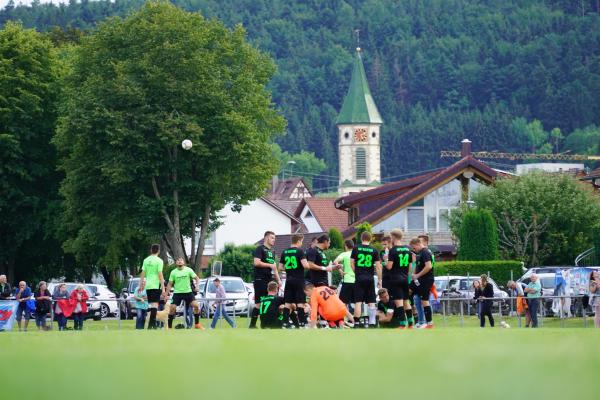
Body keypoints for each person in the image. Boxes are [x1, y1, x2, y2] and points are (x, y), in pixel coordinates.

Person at [249, 231, 280, 329]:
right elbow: (256, 262)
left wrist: (278, 280)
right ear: (266, 238)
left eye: (274, 238)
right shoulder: (259, 248)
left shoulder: (272, 251)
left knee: (271, 302)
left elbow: (274, 268)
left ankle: (268, 324)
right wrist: (269, 265)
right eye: (272, 238)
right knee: (259, 303)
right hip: (260, 279)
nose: (274, 240)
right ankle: (252, 325)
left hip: (269, 280)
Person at [350, 231, 382, 328]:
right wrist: (380, 279)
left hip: (359, 277)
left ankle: (356, 323)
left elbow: (351, 263)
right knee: (371, 301)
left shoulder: (356, 248)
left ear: (361, 238)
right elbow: (378, 267)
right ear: (370, 239)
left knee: (358, 302)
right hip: (370, 278)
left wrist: (357, 272)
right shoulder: (374, 250)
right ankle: (372, 323)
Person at [278, 234, 310, 328]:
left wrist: (289, 270)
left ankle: (284, 323)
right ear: (299, 241)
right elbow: (306, 266)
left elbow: (280, 267)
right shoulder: (300, 251)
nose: (301, 243)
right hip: (299, 280)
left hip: (289, 280)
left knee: (287, 303)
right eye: (301, 241)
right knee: (300, 302)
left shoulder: (285, 251)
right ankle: (302, 323)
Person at [385, 229, 415, 328]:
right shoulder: (407, 249)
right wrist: (408, 277)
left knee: (399, 302)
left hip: (396, 279)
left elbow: (389, 267)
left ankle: (402, 324)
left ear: (393, 237)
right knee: (406, 301)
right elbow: (411, 266)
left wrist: (385, 260)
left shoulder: (393, 250)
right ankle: (411, 323)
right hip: (405, 278)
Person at [165, 257, 203, 329]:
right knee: (172, 308)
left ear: (183, 262)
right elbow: (170, 284)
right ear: (176, 263)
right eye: (178, 260)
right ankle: (169, 327)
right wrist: (166, 294)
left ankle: (197, 324)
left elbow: (197, 278)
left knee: (196, 306)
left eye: (181, 260)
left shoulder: (188, 270)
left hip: (188, 292)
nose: (179, 261)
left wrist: (197, 286)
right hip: (177, 293)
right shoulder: (173, 272)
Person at [139, 243, 166, 329]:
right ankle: (152, 325)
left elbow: (143, 273)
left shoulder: (146, 260)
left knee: (151, 304)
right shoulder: (159, 261)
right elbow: (160, 274)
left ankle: (152, 324)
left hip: (148, 285)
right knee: (155, 305)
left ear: (151, 250)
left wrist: (141, 285)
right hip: (155, 285)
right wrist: (163, 287)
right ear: (158, 251)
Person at [410, 238, 434, 329]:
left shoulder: (425, 252)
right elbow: (418, 266)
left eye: (414, 248)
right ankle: (422, 322)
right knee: (418, 298)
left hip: (426, 280)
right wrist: (415, 274)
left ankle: (428, 323)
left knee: (424, 300)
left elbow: (429, 266)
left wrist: (417, 275)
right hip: (420, 279)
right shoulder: (419, 253)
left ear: (418, 244)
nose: (413, 250)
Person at [334, 239, 355, 309]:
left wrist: (340, 270)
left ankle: (343, 318)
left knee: (343, 303)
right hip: (357, 280)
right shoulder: (357, 253)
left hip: (347, 280)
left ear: (346, 246)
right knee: (357, 303)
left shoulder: (344, 254)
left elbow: (335, 261)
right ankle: (356, 319)